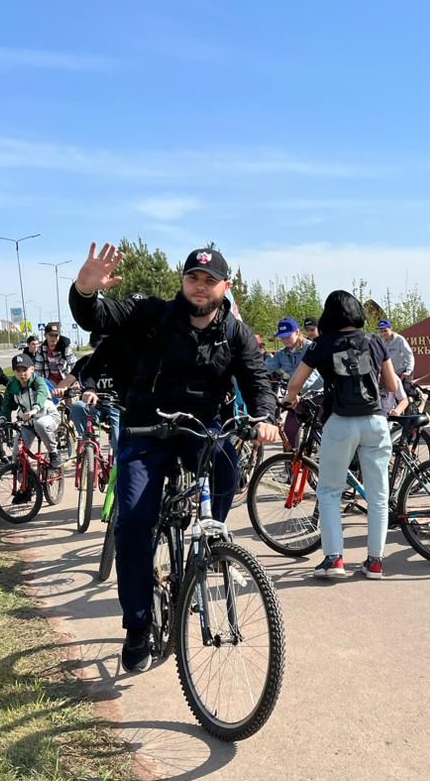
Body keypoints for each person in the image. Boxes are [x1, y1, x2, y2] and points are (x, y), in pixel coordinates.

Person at [70, 242, 279, 672]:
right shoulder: (151, 314)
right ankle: (138, 626)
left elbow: (257, 379)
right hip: (146, 429)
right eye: (192, 279)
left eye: (209, 281)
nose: (199, 288)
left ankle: (212, 539)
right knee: (135, 524)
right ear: (182, 282)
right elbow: (100, 316)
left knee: (228, 465)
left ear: (225, 286)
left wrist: (264, 417)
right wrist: (85, 291)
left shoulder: (235, 333)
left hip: (201, 430)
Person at [284, 290, 400, 580]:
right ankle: (375, 562)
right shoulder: (375, 341)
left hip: (340, 422)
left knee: (329, 491)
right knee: (378, 495)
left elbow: (295, 383)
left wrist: (292, 399)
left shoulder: (321, 344)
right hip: (375, 421)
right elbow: (390, 383)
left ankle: (334, 559)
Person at [59, 334, 124, 449]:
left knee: (119, 441)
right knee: (77, 406)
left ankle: (117, 459)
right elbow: (69, 379)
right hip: (93, 405)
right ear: (91, 346)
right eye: (97, 347)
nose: (101, 351)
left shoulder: (119, 361)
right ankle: (87, 440)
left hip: (115, 406)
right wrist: (58, 390)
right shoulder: (85, 363)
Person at [1, 353, 62, 468]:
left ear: (32, 369)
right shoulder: (12, 385)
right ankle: (26, 482)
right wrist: (2, 419)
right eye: (18, 370)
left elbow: (41, 394)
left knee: (40, 424)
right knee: (17, 454)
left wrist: (34, 410)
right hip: (28, 424)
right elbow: (7, 406)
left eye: (25, 369)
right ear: (14, 372)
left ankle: (54, 454)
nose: (22, 374)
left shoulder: (38, 381)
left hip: (48, 417)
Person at [266, 317, 320, 448]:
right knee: (289, 429)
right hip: (295, 398)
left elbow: (313, 375)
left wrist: (297, 391)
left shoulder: (312, 348)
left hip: (317, 396)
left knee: (322, 431)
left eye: (287, 336)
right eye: (282, 337)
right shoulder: (282, 354)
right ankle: (291, 463)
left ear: (297, 332)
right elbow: (264, 367)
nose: (285, 340)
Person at [39, 322, 76, 387]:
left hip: (65, 379)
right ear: (45, 335)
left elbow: (74, 364)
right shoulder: (41, 349)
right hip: (50, 382)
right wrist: (39, 385)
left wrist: (76, 381)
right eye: (51, 335)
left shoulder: (65, 347)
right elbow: (38, 370)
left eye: (56, 335)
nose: (54, 338)